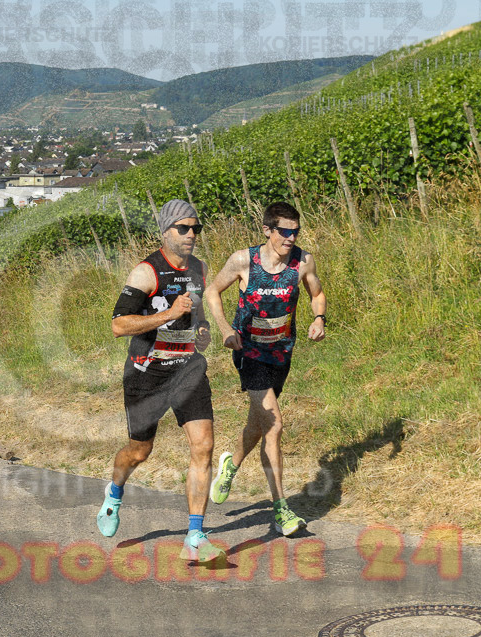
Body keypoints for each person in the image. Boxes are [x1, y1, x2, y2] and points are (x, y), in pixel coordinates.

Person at [96, 199, 223, 563]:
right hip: (147, 373)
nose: (191, 235)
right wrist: (168, 314)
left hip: (187, 369)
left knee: (203, 446)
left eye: (196, 228)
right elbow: (119, 325)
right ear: (165, 232)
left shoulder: (199, 268)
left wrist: (202, 331)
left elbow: (197, 314)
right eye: (183, 228)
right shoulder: (146, 273)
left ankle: (195, 536)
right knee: (139, 451)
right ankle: (114, 492)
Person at [203, 201, 326, 537]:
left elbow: (317, 293)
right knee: (274, 425)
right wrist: (225, 329)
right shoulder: (244, 260)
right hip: (249, 352)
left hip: (281, 353)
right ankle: (282, 510)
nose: (291, 238)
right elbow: (212, 291)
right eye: (284, 231)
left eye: (295, 232)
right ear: (267, 230)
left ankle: (231, 465)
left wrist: (319, 318)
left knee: (258, 423)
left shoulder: (303, 261)